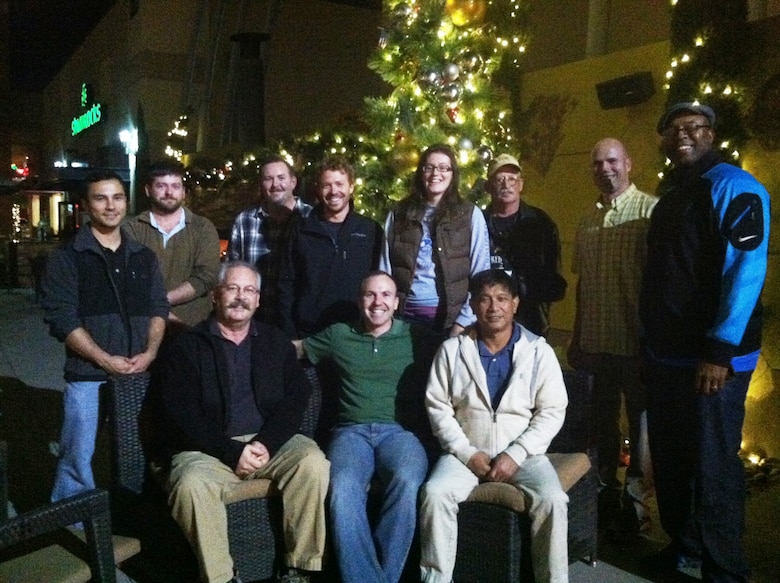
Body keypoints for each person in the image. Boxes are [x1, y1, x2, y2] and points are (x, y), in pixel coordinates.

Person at [640, 102, 770, 583]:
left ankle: (725, 570)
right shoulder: (674, 191)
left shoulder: (736, 187)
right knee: (672, 462)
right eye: (673, 130)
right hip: (667, 357)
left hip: (713, 361)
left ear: (711, 133)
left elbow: (746, 271)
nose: (682, 136)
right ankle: (684, 549)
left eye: (692, 127)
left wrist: (719, 351)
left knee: (714, 465)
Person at [153, 261, 330, 583]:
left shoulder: (274, 342)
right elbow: (180, 413)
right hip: (208, 449)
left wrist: (265, 442)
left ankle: (299, 567)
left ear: (258, 300)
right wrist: (232, 452)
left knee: (313, 463)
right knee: (189, 485)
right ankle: (221, 577)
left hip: (268, 444)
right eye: (232, 288)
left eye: (249, 290)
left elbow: (297, 396)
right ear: (216, 296)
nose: (240, 297)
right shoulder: (188, 346)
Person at [420, 269, 569, 583]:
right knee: (435, 493)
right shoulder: (452, 350)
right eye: (485, 299)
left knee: (553, 499)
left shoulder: (538, 350)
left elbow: (553, 410)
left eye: (502, 298)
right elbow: (438, 408)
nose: (494, 307)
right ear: (473, 306)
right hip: (465, 453)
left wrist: (515, 454)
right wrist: (466, 453)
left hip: (524, 456)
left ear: (515, 304)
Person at [40, 170, 168, 502]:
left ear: (126, 201)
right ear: (85, 205)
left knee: (139, 451)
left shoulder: (143, 256)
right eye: (100, 198)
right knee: (78, 457)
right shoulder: (67, 258)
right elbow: (62, 320)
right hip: (89, 376)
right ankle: (72, 523)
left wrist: (151, 352)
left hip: (139, 373)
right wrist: (103, 359)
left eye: (117, 197)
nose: (110, 206)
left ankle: (133, 514)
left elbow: (158, 308)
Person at [296, 271, 431, 583]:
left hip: (399, 433)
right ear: (360, 300)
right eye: (370, 294)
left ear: (397, 303)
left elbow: (458, 351)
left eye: (385, 295)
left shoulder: (416, 337)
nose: (377, 302)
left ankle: (380, 576)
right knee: (343, 489)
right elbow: (296, 349)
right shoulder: (339, 334)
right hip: (350, 433)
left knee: (408, 479)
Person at [568, 138, 658, 535]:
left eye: (612, 161)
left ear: (629, 164)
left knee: (641, 430)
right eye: (597, 163)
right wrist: (576, 335)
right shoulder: (587, 220)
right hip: (595, 346)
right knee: (601, 427)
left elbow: (660, 286)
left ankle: (636, 509)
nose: (605, 169)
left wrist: (652, 343)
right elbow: (584, 285)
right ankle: (603, 500)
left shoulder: (650, 212)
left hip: (636, 346)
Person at [380, 144, 491, 337]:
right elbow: (384, 269)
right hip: (403, 320)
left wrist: (463, 322)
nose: (435, 173)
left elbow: (481, 275)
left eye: (443, 167)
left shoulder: (470, 215)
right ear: (421, 172)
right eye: (429, 167)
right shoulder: (398, 213)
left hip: (451, 322)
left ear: (452, 173)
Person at [278, 155, 382, 339]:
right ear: (318, 189)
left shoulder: (370, 230)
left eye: (339, 184)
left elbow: (380, 281)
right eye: (327, 185)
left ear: (351, 186)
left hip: (357, 333)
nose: (334, 191)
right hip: (309, 334)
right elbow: (286, 284)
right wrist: (290, 334)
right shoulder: (300, 230)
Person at [125, 160, 221, 328]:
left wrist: (160, 303)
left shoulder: (203, 228)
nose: (169, 192)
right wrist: (160, 309)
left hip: (192, 328)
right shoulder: (132, 229)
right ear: (148, 190)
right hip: (142, 327)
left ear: (184, 192)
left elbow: (206, 276)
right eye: (161, 186)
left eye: (175, 186)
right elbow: (129, 278)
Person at [484, 153, 567, 336]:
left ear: (521, 184)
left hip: (530, 322)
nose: (506, 185)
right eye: (500, 179)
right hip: (486, 322)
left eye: (512, 179)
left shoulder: (541, 223)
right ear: (488, 186)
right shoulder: (477, 223)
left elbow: (554, 279)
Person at [228, 155, 312, 326]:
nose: (275, 185)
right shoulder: (245, 221)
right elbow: (231, 271)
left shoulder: (311, 219)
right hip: (254, 321)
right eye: (268, 179)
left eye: (281, 178)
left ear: (293, 182)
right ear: (261, 184)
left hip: (298, 323)